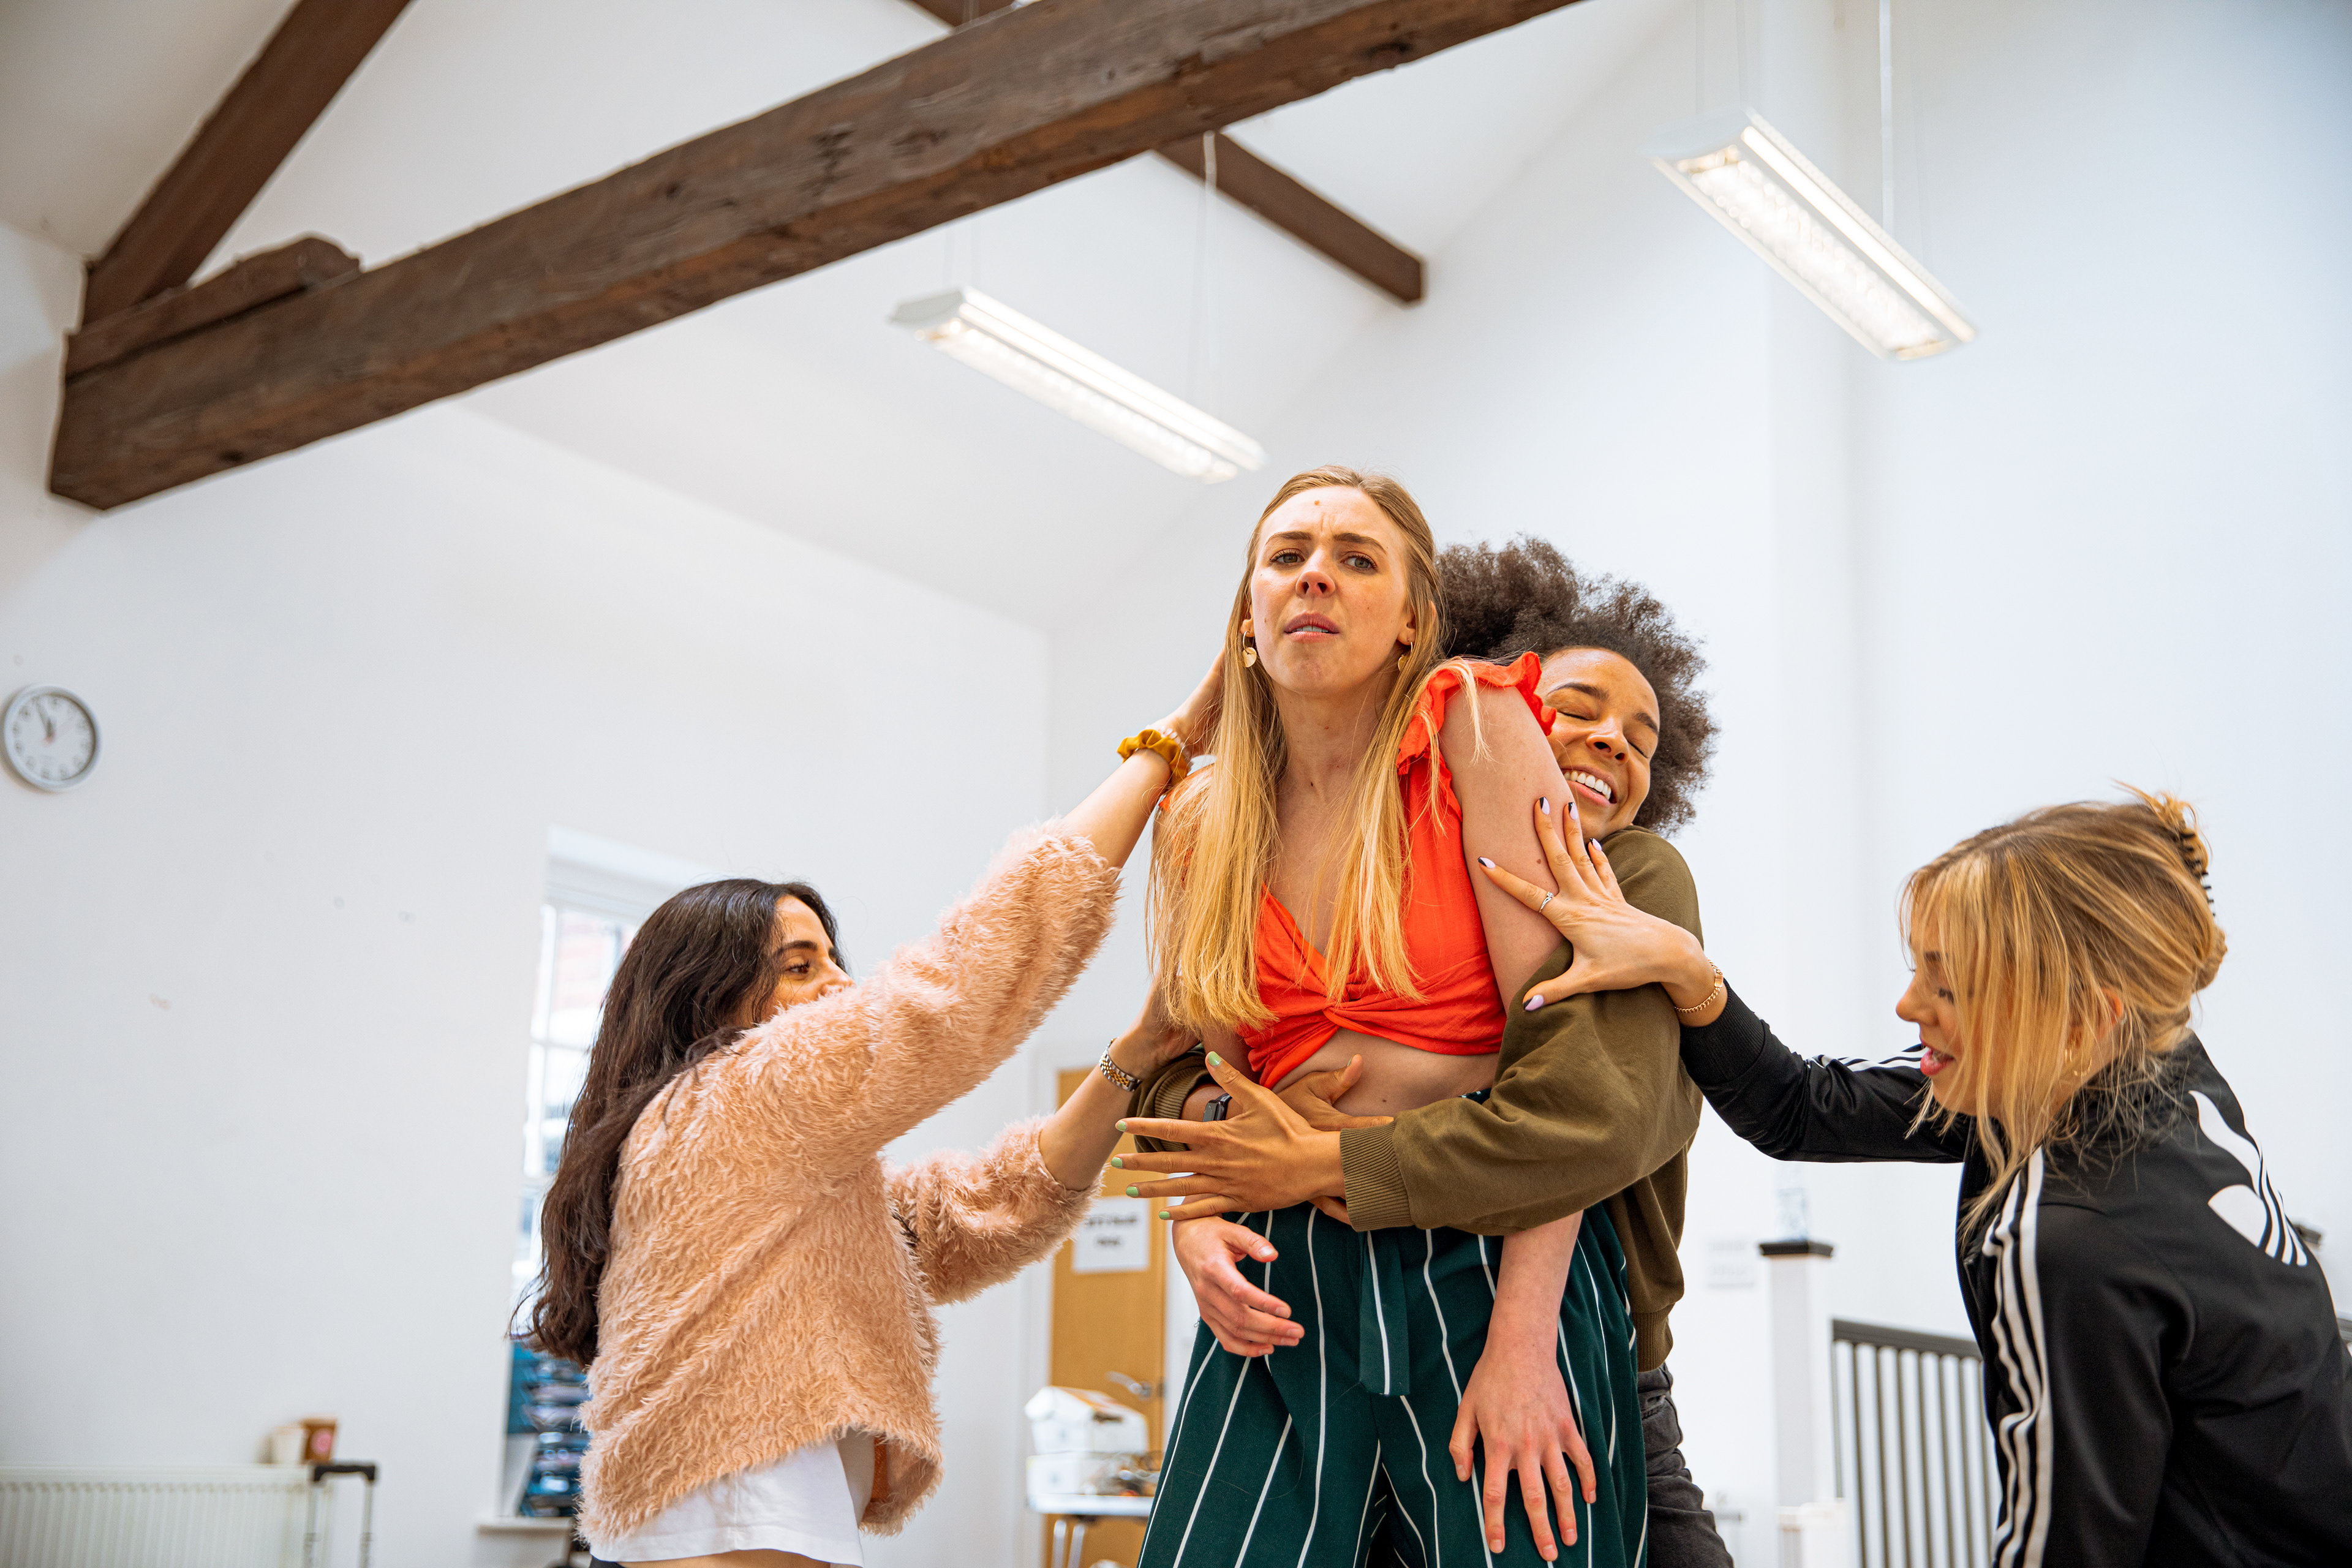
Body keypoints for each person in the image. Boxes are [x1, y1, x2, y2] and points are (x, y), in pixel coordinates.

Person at [1483, 786, 2352, 1565]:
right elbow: (1802, 1107)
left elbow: (2066, 1545)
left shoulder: (2067, 1235)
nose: (1907, 1006)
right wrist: (1688, 971)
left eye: (1949, 986)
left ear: (2079, 1017)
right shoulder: (2155, 1068)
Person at [1125, 537, 1734, 1568]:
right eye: (1577, 707)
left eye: (1642, 737)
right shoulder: (1374, 843)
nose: (1612, 744)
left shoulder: (1630, 876)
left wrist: (1324, 1160)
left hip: (1558, 1303)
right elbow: (1193, 1057)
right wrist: (1207, 1200)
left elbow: (1580, 1119)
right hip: (1321, 1276)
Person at [527, 663, 1219, 1568]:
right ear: (709, 999)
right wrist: (1163, 751)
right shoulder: (725, 1098)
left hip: (743, 1511)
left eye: (832, 957)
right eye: (801, 965)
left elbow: (969, 1213)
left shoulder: (737, 1159)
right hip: (738, 1512)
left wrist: (1134, 1057)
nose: (842, 984)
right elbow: (958, 989)